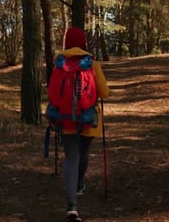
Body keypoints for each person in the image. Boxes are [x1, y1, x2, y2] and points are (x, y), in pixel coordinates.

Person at [55, 27, 110, 222]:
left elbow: (53, 92)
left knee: (72, 158)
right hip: (89, 118)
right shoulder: (91, 63)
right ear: (84, 42)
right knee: (84, 153)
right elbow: (104, 92)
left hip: (66, 119)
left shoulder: (60, 63)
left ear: (67, 43)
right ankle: (78, 186)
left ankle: (71, 207)